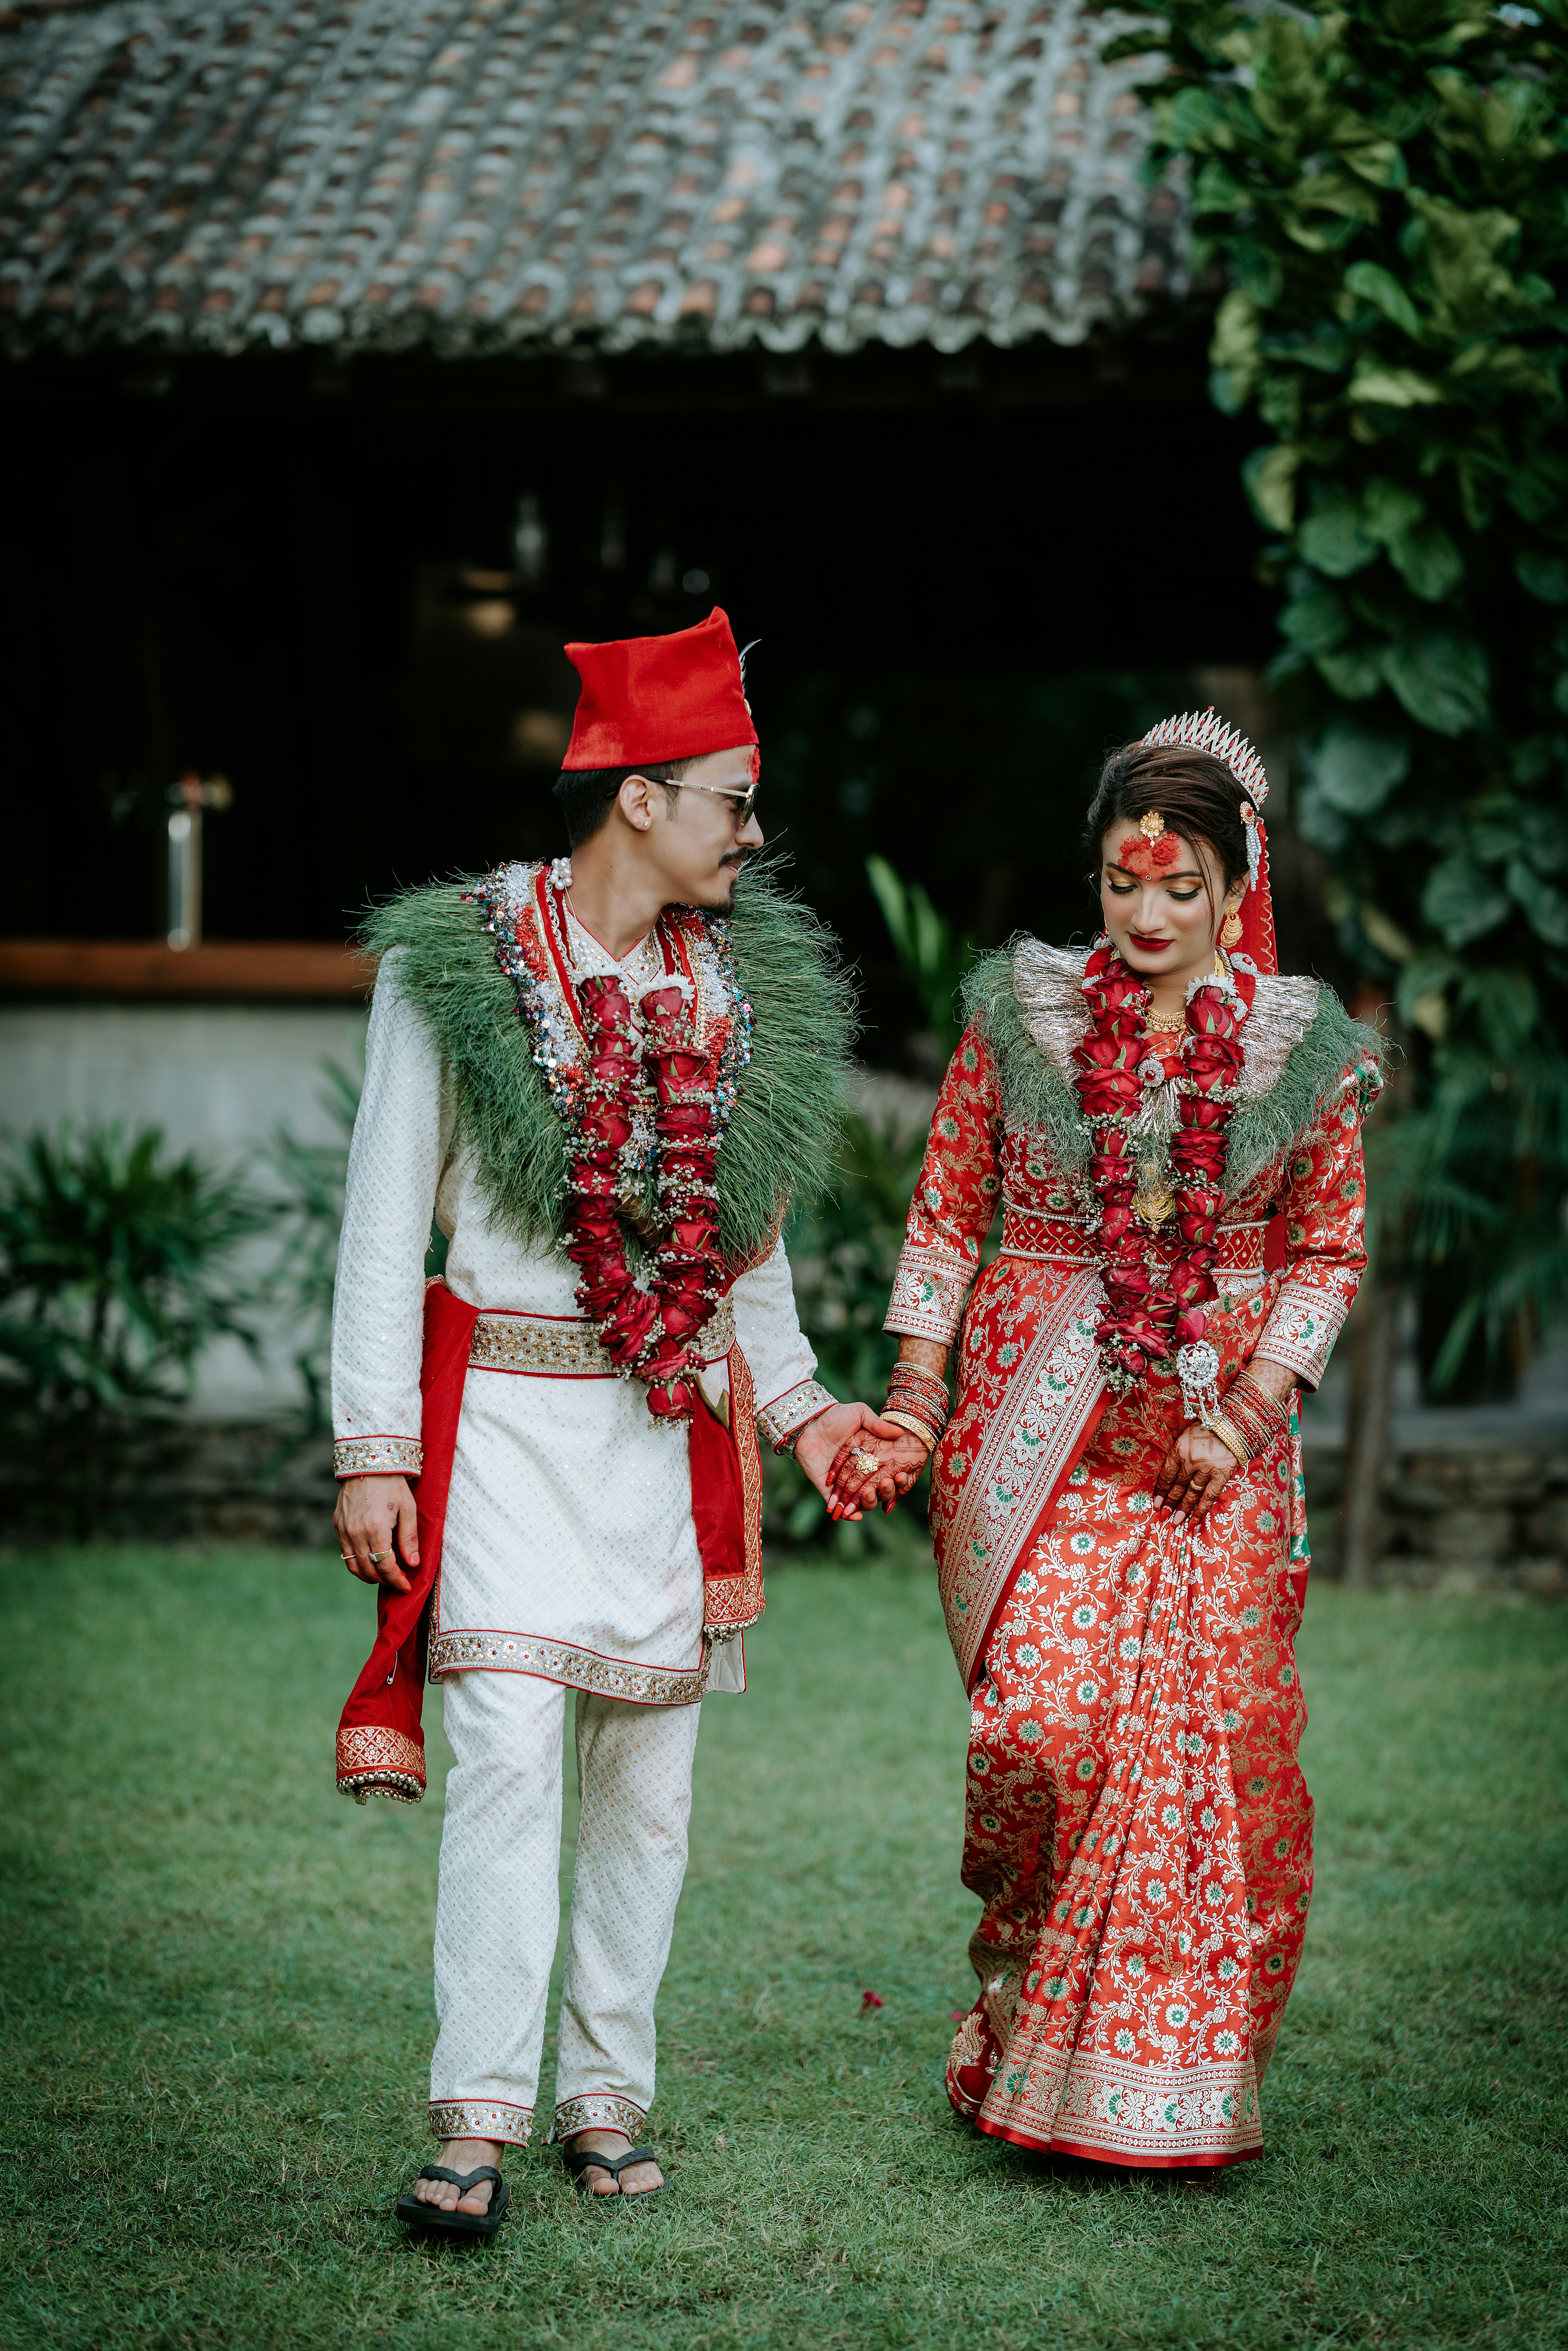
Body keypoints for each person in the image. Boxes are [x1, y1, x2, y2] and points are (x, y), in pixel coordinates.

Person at [331, 608, 898, 2231]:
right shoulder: (453, 964)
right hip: (502, 1418)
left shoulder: (743, 993)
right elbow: (384, 1223)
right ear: (638, 797)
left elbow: (749, 1249)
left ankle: (606, 2094)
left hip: (660, 1436)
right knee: (507, 1754)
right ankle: (477, 2115)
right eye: (732, 796)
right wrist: (375, 1447)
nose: (754, 831)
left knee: (647, 1785)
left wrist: (799, 1415)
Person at [831, 712, 1383, 2172]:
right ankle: (1025, 2006)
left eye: (1182, 887)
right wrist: (911, 1396)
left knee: (1220, 1741)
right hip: (1036, 1439)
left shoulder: (1298, 1049)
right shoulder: (1020, 1016)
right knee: (1039, 1727)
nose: (1146, 915)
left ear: (1233, 884)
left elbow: (1328, 1253)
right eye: (1124, 881)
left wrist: (1248, 1410)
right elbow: (947, 1214)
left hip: (1218, 1450)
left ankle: (1182, 2071)